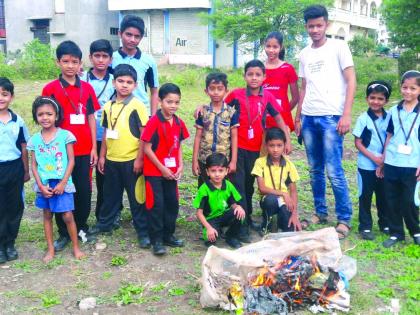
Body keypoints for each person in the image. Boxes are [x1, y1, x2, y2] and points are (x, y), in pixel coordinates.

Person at [295, 5, 356, 239]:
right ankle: (320, 213)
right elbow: (304, 87)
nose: (315, 29)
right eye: (311, 26)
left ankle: (344, 218)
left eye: (319, 25)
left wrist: (346, 114)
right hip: (309, 117)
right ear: (306, 27)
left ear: (327, 24)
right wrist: (298, 116)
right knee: (314, 169)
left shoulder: (339, 47)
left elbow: (351, 81)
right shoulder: (304, 53)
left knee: (335, 170)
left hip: (332, 117)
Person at [42, 40, 100, 250]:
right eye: (65, 61)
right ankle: (64, 232)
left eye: (74, 62)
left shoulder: (87, 88)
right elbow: (45, 119)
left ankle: (82, 225)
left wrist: (94, 147)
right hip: (58, 153)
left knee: (83, 190)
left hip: (84, 149)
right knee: (61, 190)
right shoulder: (50, 89)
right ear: (58, 62)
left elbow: (92, 118)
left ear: (80, 63)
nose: (69, 66)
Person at [224, 59, 291, 242]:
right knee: (238, 188)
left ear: (264, 77)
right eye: (250, 74)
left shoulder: (267, 97)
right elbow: (219, 107)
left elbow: (279, 118)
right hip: (237, 149)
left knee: (249, 186)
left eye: (258, 75)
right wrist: (201, 108)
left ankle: (247, 217)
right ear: (244, 76)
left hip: (257, 151)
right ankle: (242, 227)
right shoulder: (236, 95)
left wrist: (287, 140)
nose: (254, 78)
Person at [88, 64, 150, 248]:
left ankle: (143, 231)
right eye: (121, 81)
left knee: (137, 197)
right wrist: (102, 156)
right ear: (114, 82)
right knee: (110, 195)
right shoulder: (108, 106)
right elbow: (106, 132)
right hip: (112, 160)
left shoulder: (137, 105)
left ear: (135, 85)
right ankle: (105, 224)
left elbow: (144, 135)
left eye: (129, 82)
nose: (124, 85)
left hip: (131, 161)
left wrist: (140, 159)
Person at [28, 96, 85, 263]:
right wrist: (40, 185)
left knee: (67, 216)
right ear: (35, 116)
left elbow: (72, 160)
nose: (45, 117)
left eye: (49, 114)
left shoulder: (65, 135)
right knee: (47, 215)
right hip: (44, 184)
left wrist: (62, 183)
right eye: (40, 114)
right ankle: (51, 249)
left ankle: (76, 247)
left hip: (62, 182)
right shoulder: (34, 140)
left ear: (56, 115)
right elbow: (34, 165)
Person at [141, 83, 189, 255]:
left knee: (172, 203)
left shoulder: (178, 122)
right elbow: (146, 147)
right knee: (156, 205)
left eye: (176, 102)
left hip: (172, 172)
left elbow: (179, 146)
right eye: (169, 102)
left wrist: (181, 164)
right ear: (160, 101)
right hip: (155, 172)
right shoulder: (153, 122)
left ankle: (169, 235)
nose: (173, 106)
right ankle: (157, 240)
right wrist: (161, 168)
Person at [380, 70, 420, 248]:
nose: (408, 92)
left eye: (413, 88)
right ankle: (396, 233)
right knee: (392, 198)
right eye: (405, 87)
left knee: (410, 200)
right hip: (392, 162)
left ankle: (416, 231)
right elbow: (389, 135)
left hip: (412, 164)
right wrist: (383, 158)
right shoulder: (393, 111)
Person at [80, 39, 116, 222]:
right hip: (85, 137)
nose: (101, 60)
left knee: (105, 179)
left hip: (109, 136)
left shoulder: (116, 80)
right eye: (97, 56)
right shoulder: (81, 79)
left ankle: (104, 216)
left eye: (105, 56)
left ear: (110, 59)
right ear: (90, 57)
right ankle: (80, 217)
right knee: (84, 179)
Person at [353, 81, 392, 240]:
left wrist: (382, 161)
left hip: (385, 164)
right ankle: (365, 226)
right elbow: (358, 142)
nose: (376, 101)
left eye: (380, 99)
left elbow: (392, 139)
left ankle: (385, 223)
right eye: (372, 97)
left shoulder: (390, 117)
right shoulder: (363, 119)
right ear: (367, 98)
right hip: (366, 165)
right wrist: (374, 159)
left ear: (386, 101)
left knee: (384, 195)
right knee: (365, 196)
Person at [0, 78, 30, 264]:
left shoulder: (17, 121)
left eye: (4, 94)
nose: (0, 98)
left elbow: (24, 146)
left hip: (14, 168)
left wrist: (26, 170)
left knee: (14, 206)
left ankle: (9, 243)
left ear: (11, 97)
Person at [192, 72, 239, 186]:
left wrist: (233, 161)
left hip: (223, 161)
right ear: (206, 91)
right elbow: (197, 137)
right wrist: (194, 161)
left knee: (222, 192)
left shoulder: (231, 113)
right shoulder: (203, 112)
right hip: (204, 160)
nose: (216, 92)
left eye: (220, 89)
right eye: (212, 89)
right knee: (204, 192)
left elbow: (234, 137)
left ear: (226, 91)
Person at [252, 128, 302, 234]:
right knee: (271, 201)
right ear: (266, 146)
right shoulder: (260, 162)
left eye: (279, 145)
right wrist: (283, 193)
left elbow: (293, 191)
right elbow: (262, 189)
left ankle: (279, 220)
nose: (275, 149)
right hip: (268, 199)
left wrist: (294, 214)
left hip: (285, 201)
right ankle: (266, 224)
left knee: (289, 228)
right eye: (272, 145)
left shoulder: (289, 165)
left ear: (284, 145)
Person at [193, 153, 245, 249]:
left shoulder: (228, 185)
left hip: (224, 214)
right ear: (207, 172)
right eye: (213, 171)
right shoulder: (204, 189)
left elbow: (233, 203)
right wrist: (209, 228)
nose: (217, 174)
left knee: (240, 213)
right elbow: (199, 213)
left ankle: (231, 236)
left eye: (221, 170)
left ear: (226, 171)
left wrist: (238, 207)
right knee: (210, 241)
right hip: (210, 219)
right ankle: (215, 230)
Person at [112, 14, 159, 116]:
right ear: (120, 33)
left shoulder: (149, 61)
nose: (132, 39)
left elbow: (154, 91)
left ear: (141, 37)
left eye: (137, 36)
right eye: (128, 34)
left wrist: (153, 117)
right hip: (116, 112)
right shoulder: (111, 59)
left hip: (141, 113)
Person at [262, 31, 299, 131]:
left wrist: (283, 111)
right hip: (262, 118)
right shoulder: (259, 68)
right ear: (264, 46)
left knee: (280, 146)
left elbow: (296, 97)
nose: (271, 50)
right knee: (262, 146)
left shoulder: (288, 68)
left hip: (282, 120)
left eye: (275, 47)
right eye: (268, 46)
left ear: (281, 47)